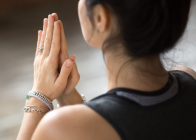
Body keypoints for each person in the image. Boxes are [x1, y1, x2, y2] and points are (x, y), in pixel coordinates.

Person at [17, 0, 196, 139]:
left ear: (100, 18)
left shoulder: (58, 127)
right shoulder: (189, 80)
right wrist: (67, 95)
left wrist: (39, 96)